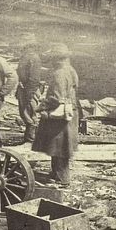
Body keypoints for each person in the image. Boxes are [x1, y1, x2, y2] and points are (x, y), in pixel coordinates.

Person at [33, 43, 81, 185]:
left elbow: (56, 97)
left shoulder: (58, 73)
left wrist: (41, 107)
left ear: (56, 59)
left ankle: (62, 179)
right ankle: (55, 174)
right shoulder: (71, 70)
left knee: (59, 147)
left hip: (59, 116)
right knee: (58, 146)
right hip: (69, 112)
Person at [15, 32, 43, 143]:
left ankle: (31, 139)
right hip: (24, 88)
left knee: (31, 114)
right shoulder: (25, 57)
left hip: (30, 89)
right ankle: (28, 138)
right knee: (24, 113)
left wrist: (29, 92)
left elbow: (34, 78)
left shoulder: (34, 58)